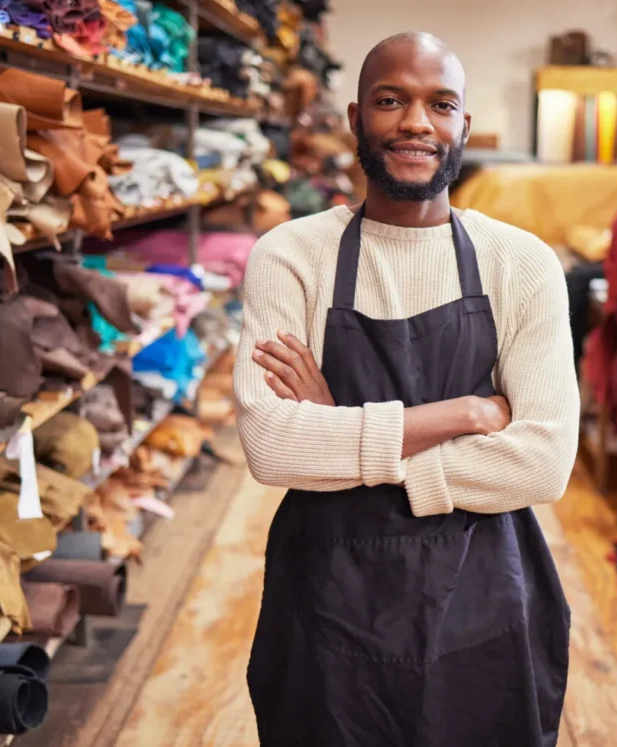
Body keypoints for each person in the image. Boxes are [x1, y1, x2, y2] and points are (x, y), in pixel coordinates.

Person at [235, 30, 580, 746]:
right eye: (391, 100)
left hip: (484, 597)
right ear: (356, 119)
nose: (416, 122)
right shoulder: (291, 257)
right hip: (325, 599)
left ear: (463, 127)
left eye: (440, 104)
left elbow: (543, 461)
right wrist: (464, 412)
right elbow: (272, 445)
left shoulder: (521, 264)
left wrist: (341, 434)